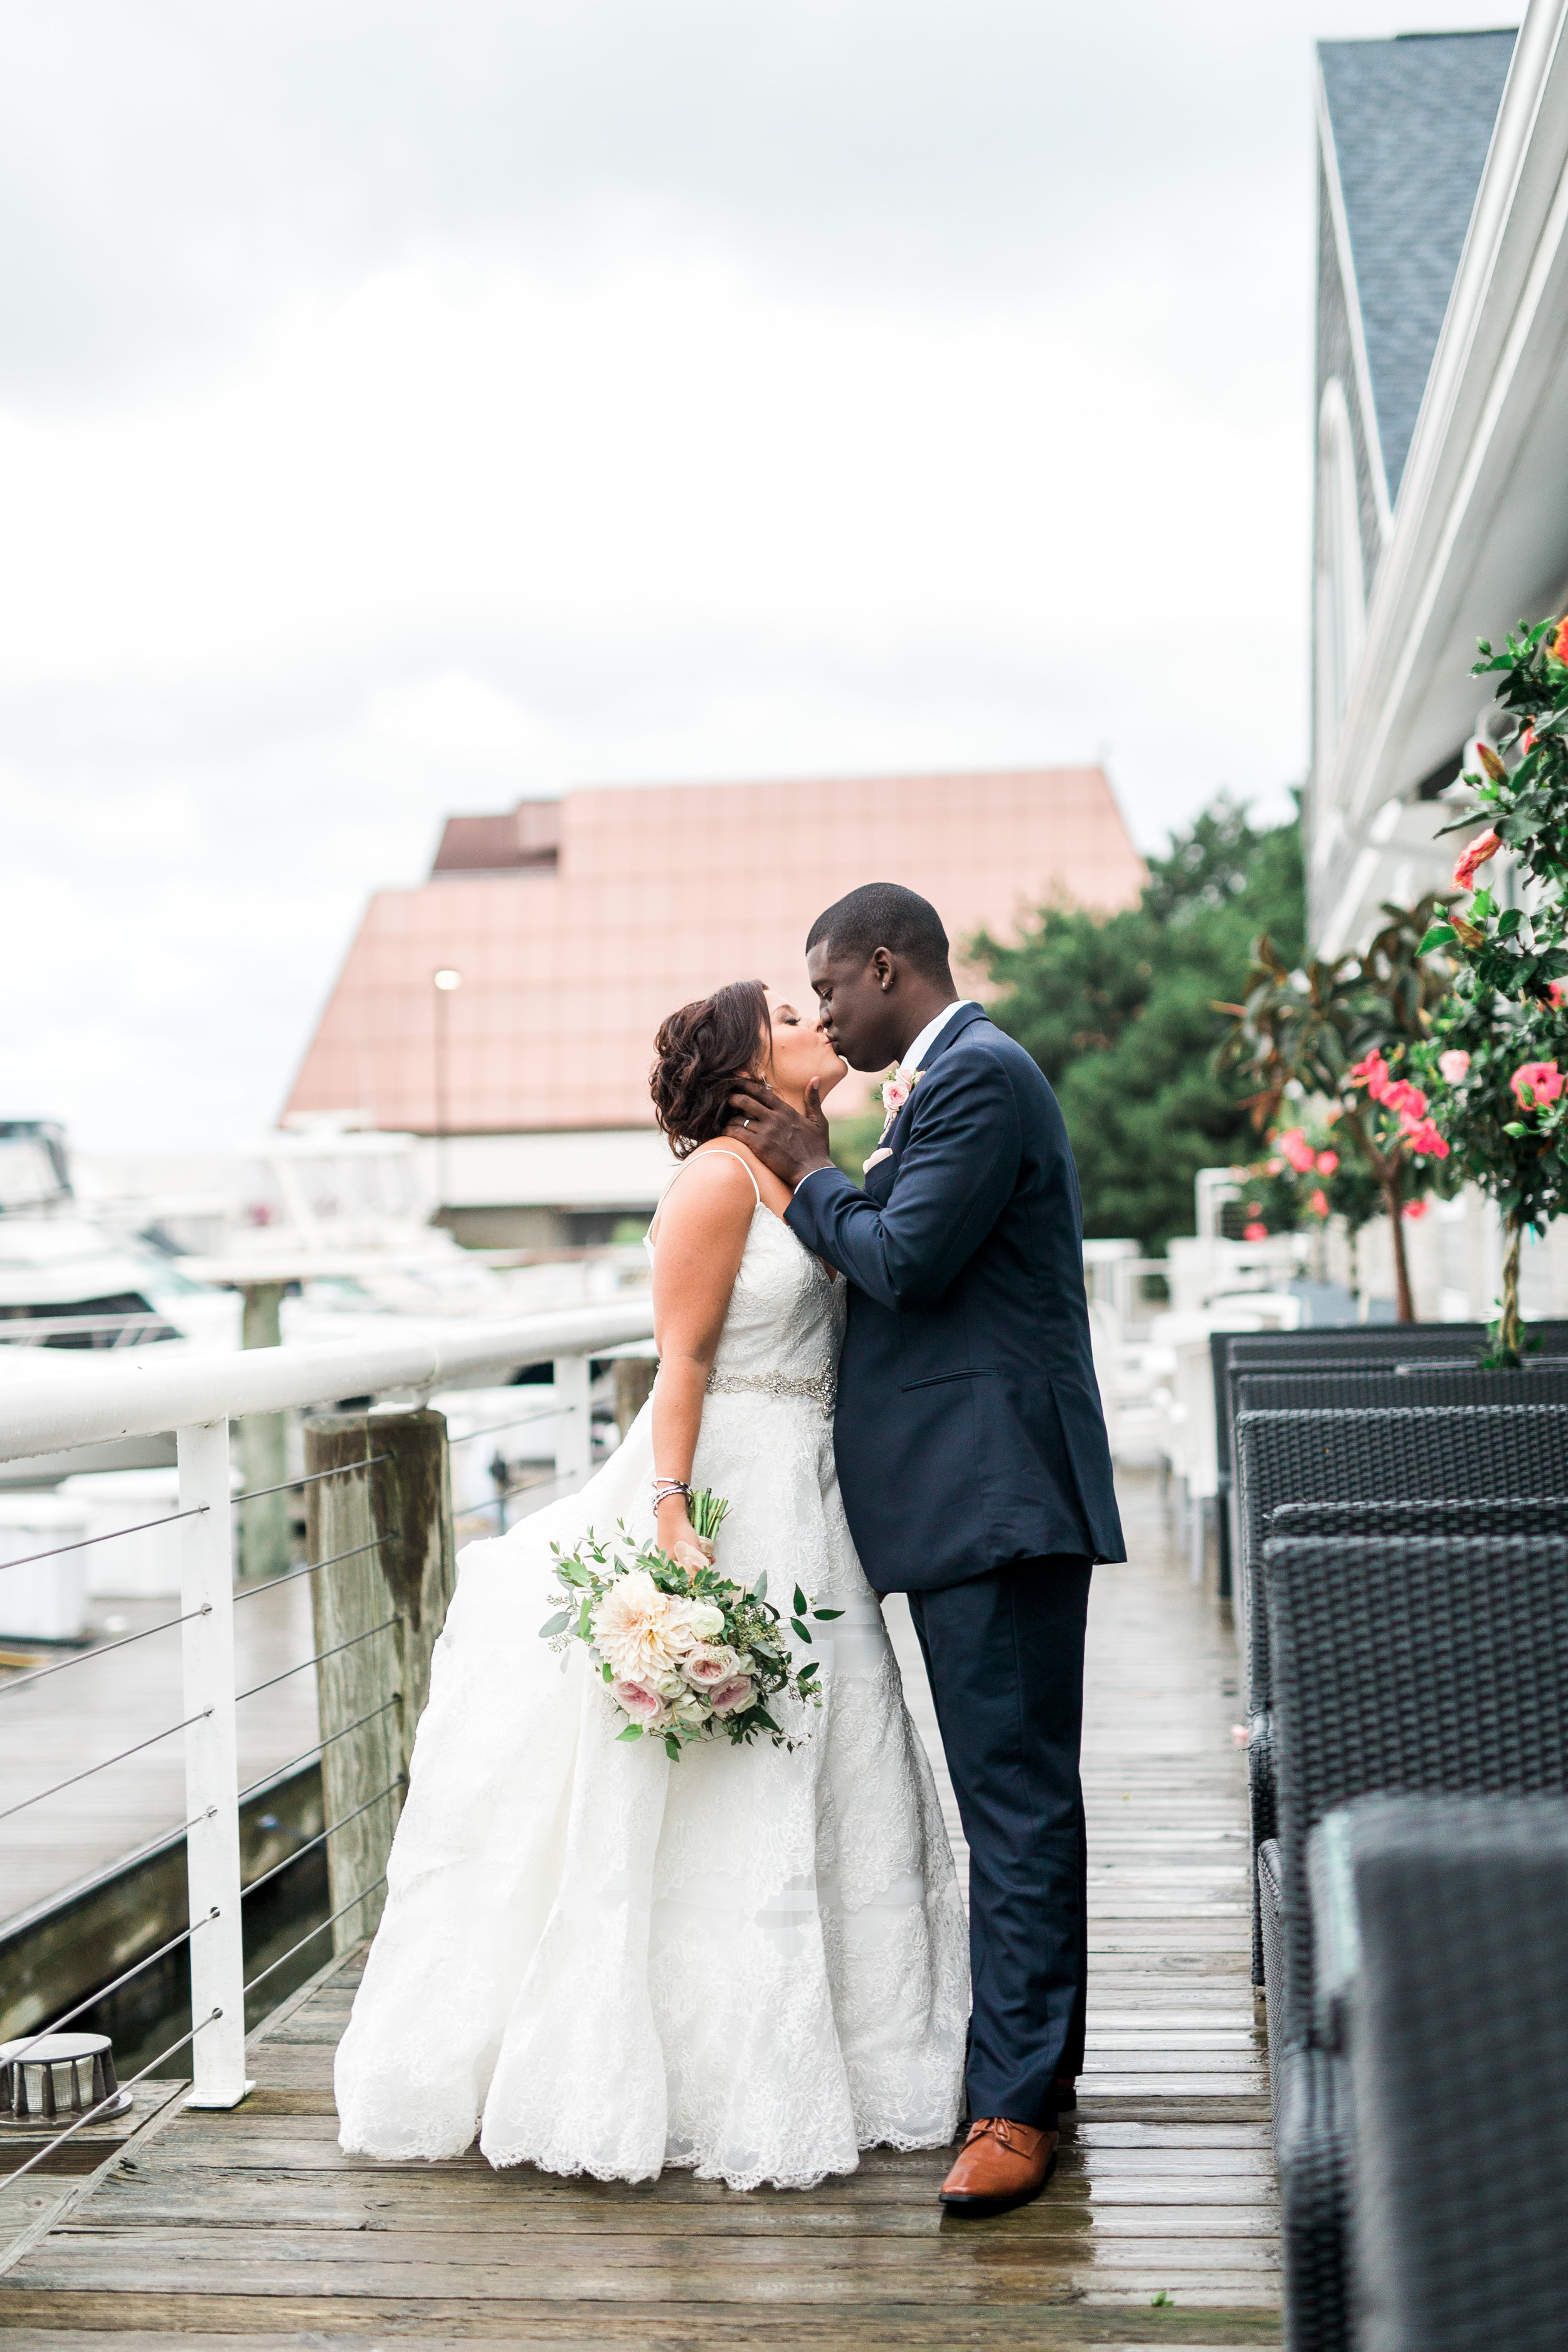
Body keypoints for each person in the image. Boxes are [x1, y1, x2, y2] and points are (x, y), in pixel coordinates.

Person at [334, 979, 967, 2193]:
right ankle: (693, 2067)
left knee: (841, 1752)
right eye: (786, 1014)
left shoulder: (804, 1159)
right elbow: (678, 1361)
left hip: (818, 1505)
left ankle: (858, 2049)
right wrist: (676, 1520)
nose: (815, 1022)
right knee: (731, 1774)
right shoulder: (718, 1180)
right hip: (730, 1490)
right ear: (741, 1067)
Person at [728, 881, 1124, 2218]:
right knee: (1008, 1797)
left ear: (884, 965)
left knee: (1012, 1806)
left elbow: (899, 1262)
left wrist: (800, 1166)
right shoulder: (946, 1081)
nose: (824, 1014)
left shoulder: (979, 1079)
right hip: (968, 1501)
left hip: (994, 1501)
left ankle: (1015, 2111)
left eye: (827, 988)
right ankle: (1017, 2079)